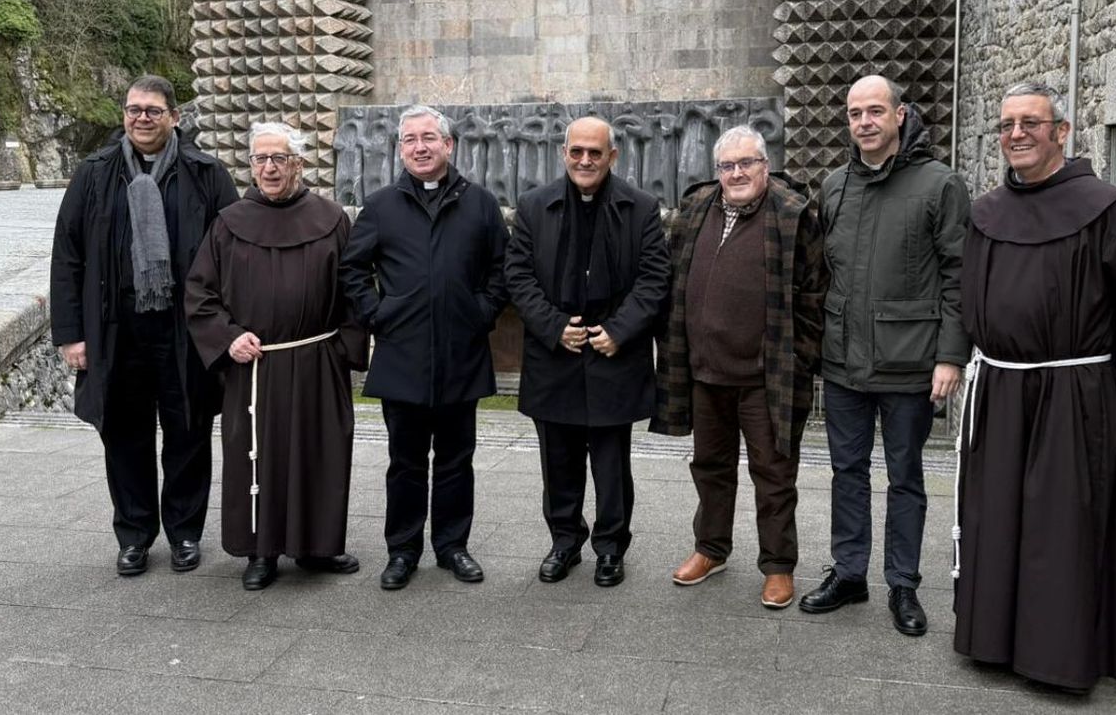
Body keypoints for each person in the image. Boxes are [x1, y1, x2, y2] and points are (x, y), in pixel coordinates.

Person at [953, 82, 1116, 692]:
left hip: (1074, 395)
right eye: (1006, 124)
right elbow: (970, 296)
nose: (1016, 134)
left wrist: (1103, 382)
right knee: (996, 516)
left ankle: (1056, 656)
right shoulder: (987, 211)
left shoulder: (1109, 211)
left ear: (1062, 131)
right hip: (1000, 385)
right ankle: (992, 640)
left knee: (1061, 526)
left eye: (1030, 123)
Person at [50, 75, 240, 577]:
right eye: (134, 109)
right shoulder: (94, 174)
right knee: (124, 435)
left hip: (185, 330)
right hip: (117, 328)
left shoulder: (206, 174)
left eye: (153, 110)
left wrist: (224, 328)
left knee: (189, 432)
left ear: (175, 117)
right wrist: (71, 333)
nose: (142, 118)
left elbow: (233, 257)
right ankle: (133, 535)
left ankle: (184, 533)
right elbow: (68, 256)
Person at [801, 75, 970, 637]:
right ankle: (849, 573)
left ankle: (903, 583)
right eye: (854, 113)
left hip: (911, 363)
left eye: (875, 111)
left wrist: (950, 356)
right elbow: (820, 272)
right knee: (846, 471)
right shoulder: (833, 186)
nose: (864, 122)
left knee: (906, 477)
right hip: (844, 363)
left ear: (900, 115)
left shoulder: (940, 185)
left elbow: (958, 276)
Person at [185, 122, 369, 590]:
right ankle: (260, 550)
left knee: (320, 453)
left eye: (279, 159)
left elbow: (354, 292)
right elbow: (199, 294)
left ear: (298, 164)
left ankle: (318, 546)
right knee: (255, 457)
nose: (269, 168)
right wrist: (228, 338)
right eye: (260, 159)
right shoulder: (228, 224)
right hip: (256, 365)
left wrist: (342, 351)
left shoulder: (331, 219)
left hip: (316, 360)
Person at [652, 125, 826, 610]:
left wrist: (802, 357)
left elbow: (814, 295)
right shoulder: (695, 209)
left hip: (764, 378)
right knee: (710, 467)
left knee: (773, 475)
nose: (737, 173)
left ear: (765, 166)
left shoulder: (792, 215)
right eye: (727, 166)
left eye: (746, 163)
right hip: (705, 374)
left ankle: (778, 566)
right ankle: (711, 549)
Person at [340, 105, 509, 591]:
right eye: (410, 139)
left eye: (429, 138)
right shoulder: (381, 206)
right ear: (400, 149)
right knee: (405, 462)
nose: (420, 146)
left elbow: (502, 270)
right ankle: (403, 549)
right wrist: (378, 313)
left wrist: (481, 313)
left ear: (449, 145)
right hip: (403, 355)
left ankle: (453, 546)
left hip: (462, 353)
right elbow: (353, 270)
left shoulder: (480, 203)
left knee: (457, 460)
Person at [505, 116, 670, 588]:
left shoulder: (641, 208)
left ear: (612, 156)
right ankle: (564, 542)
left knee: (611, 463)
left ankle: (611, 548)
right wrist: (554, 327)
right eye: (577, 151)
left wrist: (619, 330)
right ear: (564, 153)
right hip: (555, 354)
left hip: (614, 355)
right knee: (557, 461)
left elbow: (654, 278)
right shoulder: (535, 206)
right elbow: (518, 276)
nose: (585, 160)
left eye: (595, 153)